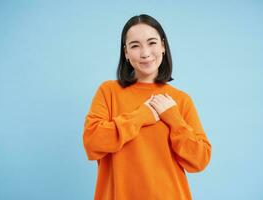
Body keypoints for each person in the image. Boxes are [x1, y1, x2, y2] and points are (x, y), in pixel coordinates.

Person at [82, 14, 211, 200]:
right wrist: (141, 115)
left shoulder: (181, 100)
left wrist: (174, 120)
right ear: (125, 52)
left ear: (163, 46)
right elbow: (92, 142)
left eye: (152, 43)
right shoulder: (108, 91)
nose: (145, 53)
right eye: (135, 45)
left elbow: (199, 160)